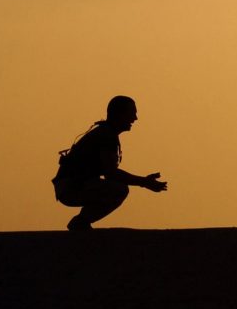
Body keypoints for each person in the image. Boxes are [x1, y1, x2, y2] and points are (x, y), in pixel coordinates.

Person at [52, 95, 168, 230]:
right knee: (118, 190)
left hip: (73, 186)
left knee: (115, 188)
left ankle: (81, 222)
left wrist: (143, 182)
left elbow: (109, 174)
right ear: (119, 114)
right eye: (132, 113)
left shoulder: (106, 133)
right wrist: (144, 182)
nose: (135, 118)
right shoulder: (106, 136)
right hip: (72, 187)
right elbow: (111, 173)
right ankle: (81, 222)